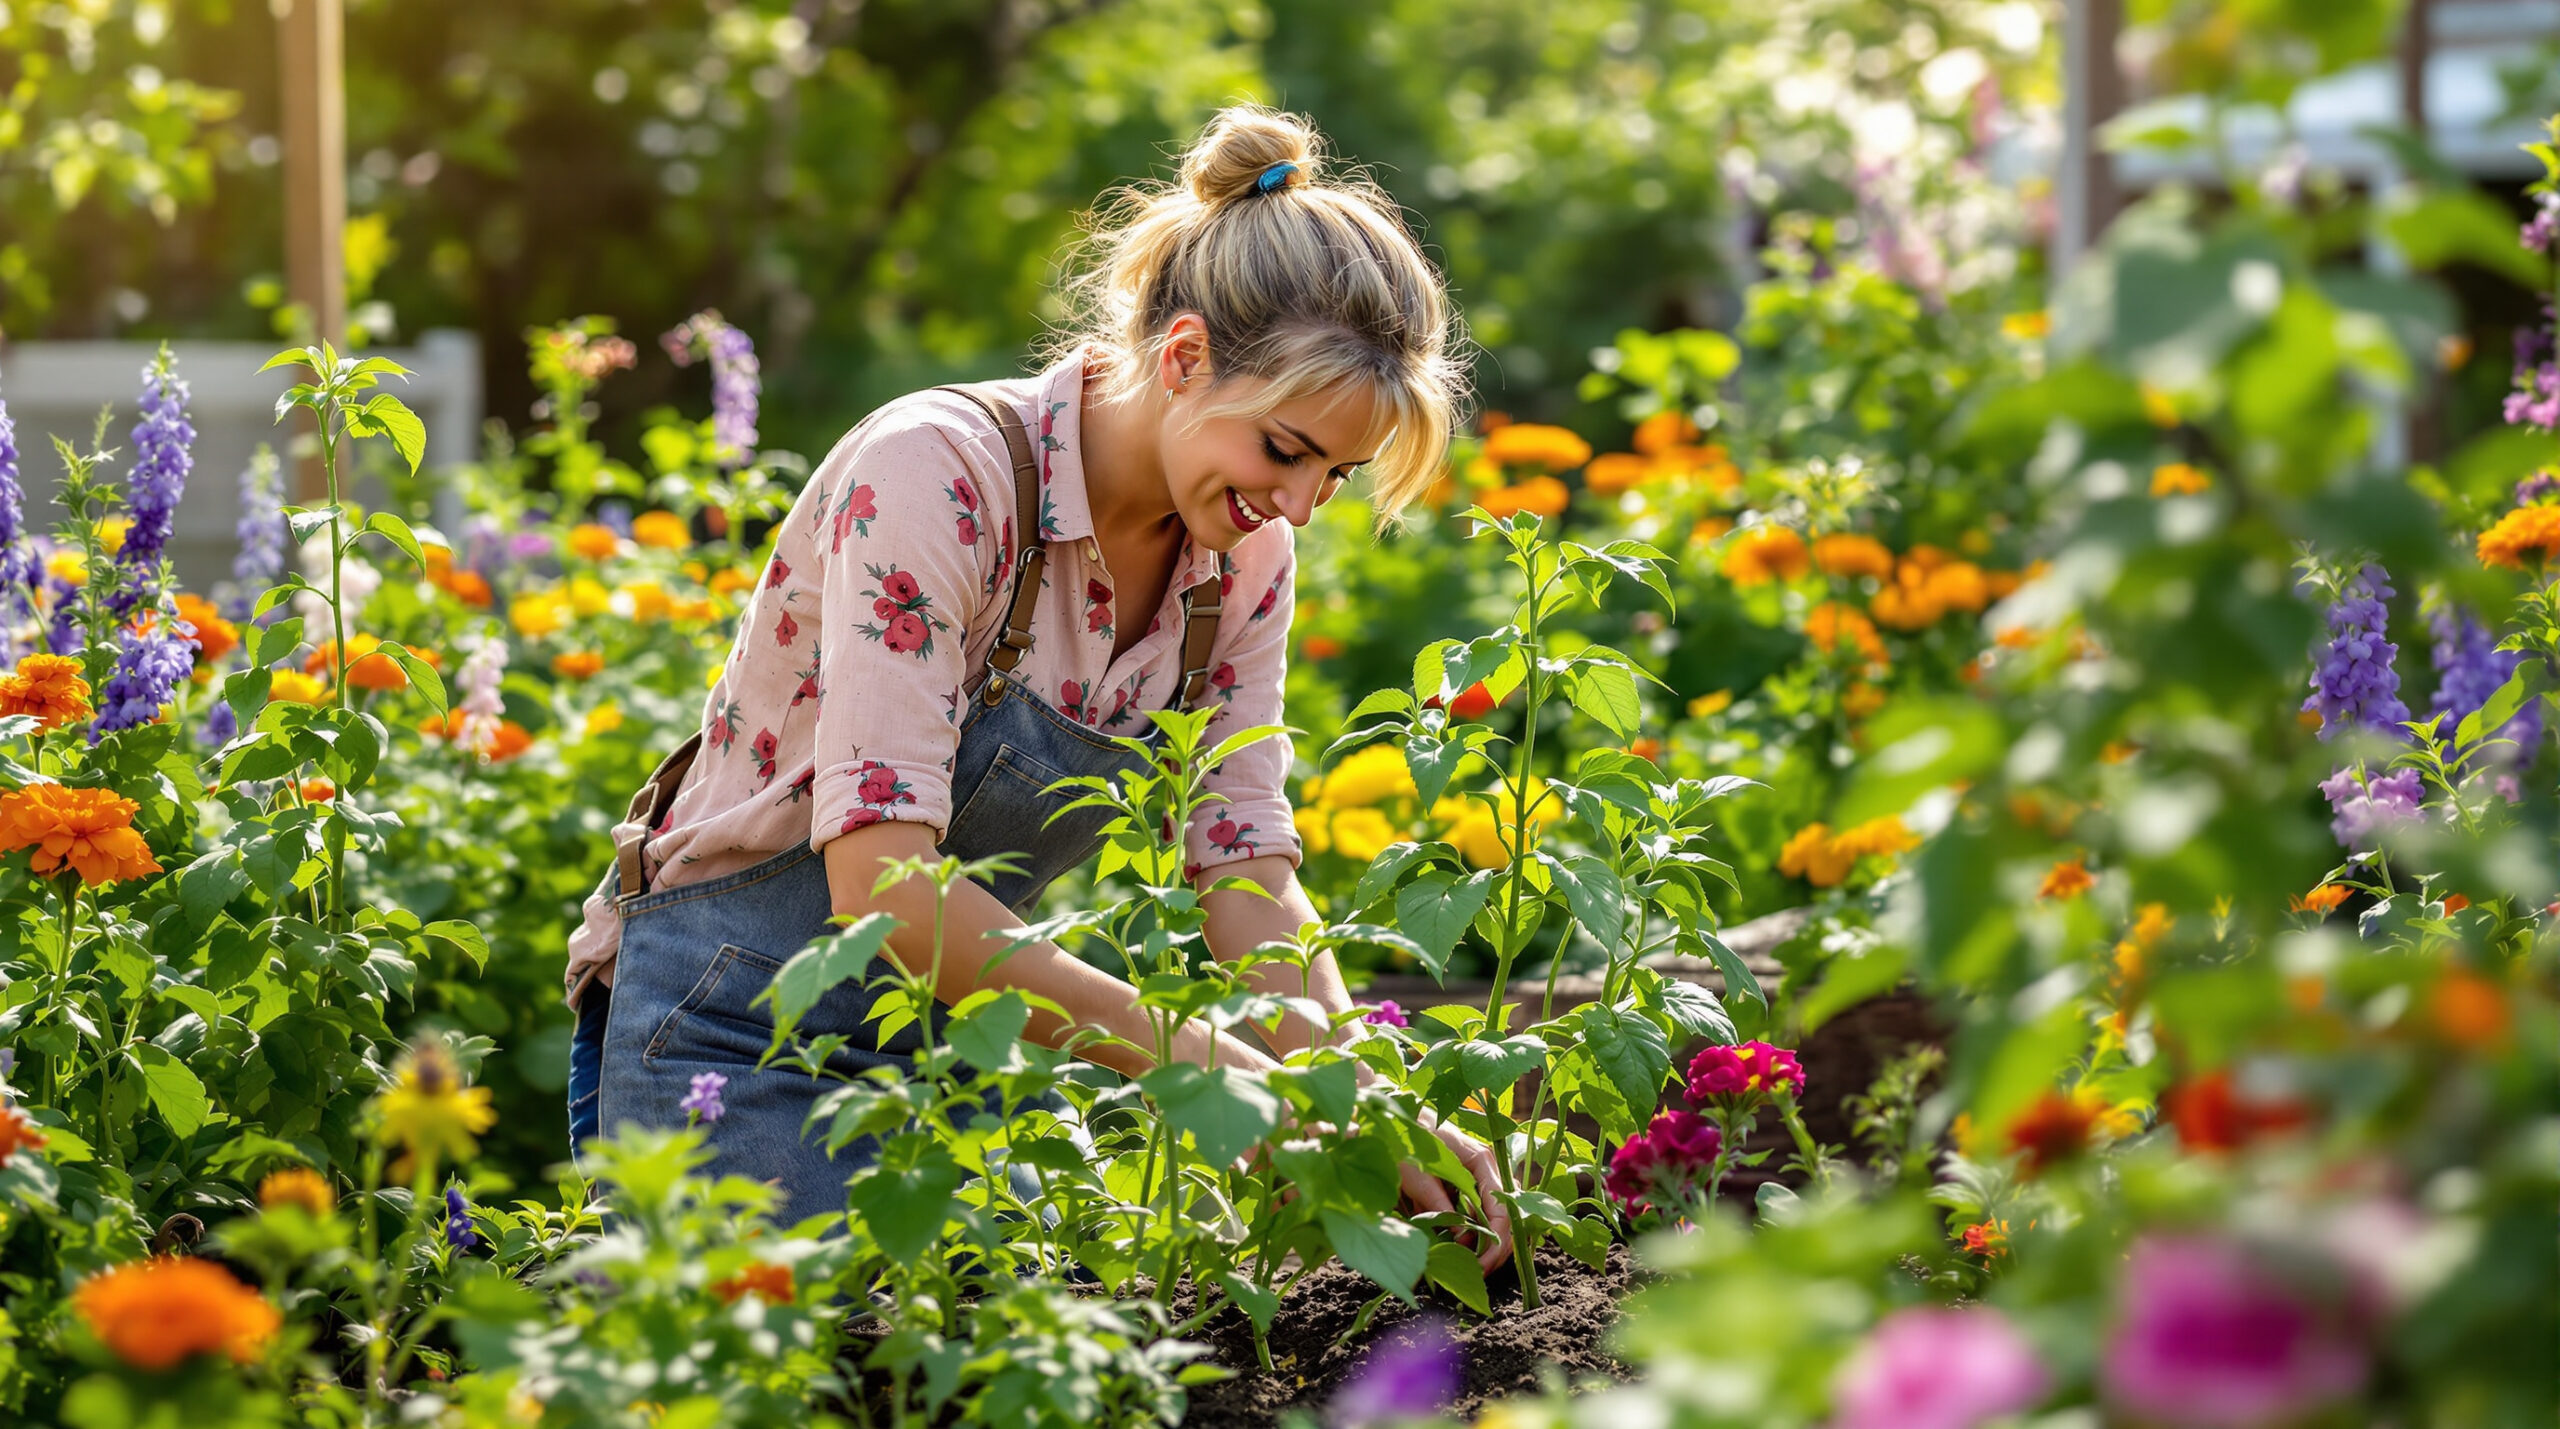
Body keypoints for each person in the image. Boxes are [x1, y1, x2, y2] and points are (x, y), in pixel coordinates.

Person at [562, 104, 1510, 1270]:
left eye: (1339, 473)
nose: (1305, 504)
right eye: (1284, 450)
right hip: (732, 1035)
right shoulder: (940, 474)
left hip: (960, 1056)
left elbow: (1242, 860)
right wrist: (1208, 1066)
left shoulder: (1241, 560)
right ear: (1183, 358)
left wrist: (1356, 1097)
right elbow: (884, 885)